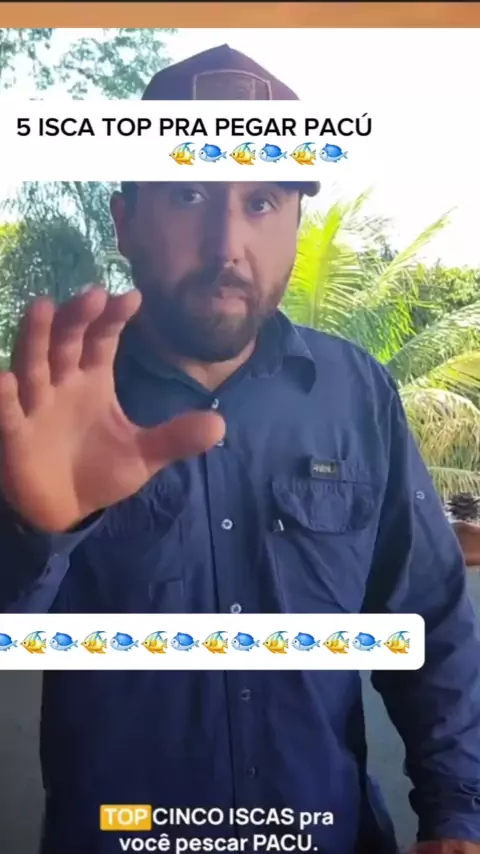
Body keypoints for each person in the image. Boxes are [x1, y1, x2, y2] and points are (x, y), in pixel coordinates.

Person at [0, 45, 479, 854]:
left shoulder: (357, 393)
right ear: (126, 221)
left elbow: (429, 618)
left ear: (296, 224)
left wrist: (458, 813)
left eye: (261, 201)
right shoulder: (40, 413)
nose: (227, 245)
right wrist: (33, 532)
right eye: (189, 193)